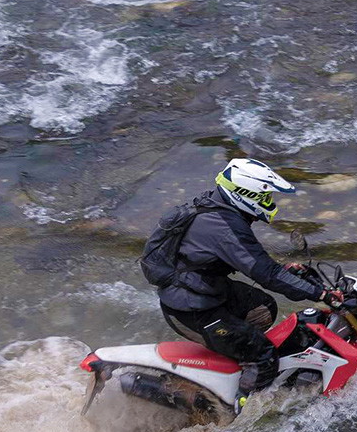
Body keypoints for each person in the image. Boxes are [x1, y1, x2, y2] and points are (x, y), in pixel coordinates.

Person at [144, 158, 345, 413]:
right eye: (265, 196)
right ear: (246, 194)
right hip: (194, 308)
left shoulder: (216, 207)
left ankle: (233, 359)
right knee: (265, 357)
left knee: (263, 306)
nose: (269, 202)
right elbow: (265, 273)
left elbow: (252, 262)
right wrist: (322, 294)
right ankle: (238, 411)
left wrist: (287, 272)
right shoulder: (225, 226)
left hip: (197, 290)